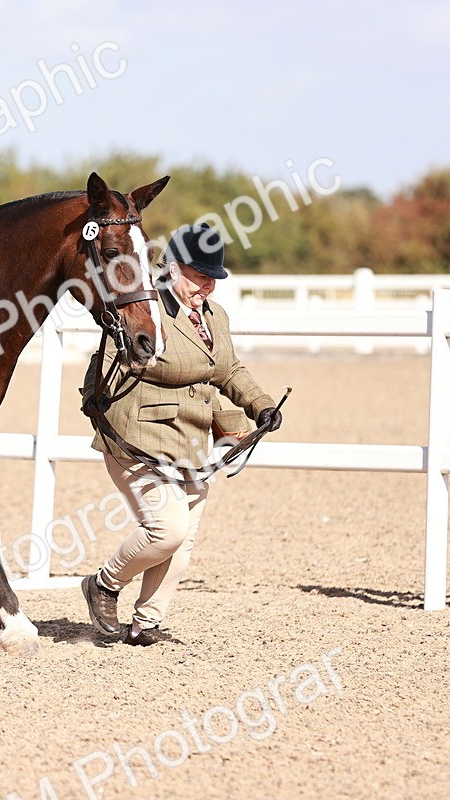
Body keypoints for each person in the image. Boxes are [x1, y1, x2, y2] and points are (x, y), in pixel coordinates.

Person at [80, 223, 282, 645]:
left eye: (212, 278)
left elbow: (227, 368)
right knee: (167, 529)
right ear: (171, 269)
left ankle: (145, 622)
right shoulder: (144, 309)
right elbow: (137, 362)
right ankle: (104, 584)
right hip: (138, 436)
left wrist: (259, 403)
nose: (207, 286)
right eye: (199, 276)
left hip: (190, 441)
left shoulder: (215, 317)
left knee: (183, 541)